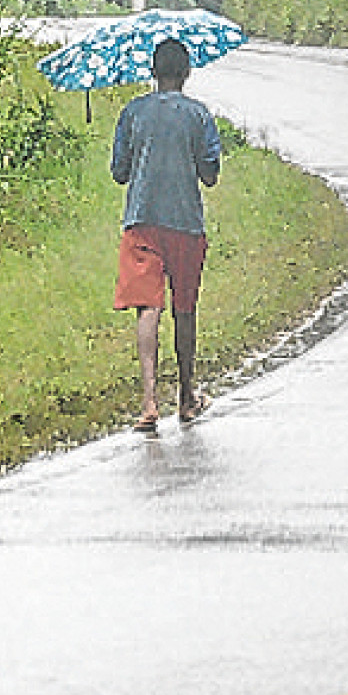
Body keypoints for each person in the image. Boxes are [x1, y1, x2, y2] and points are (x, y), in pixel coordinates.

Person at [110, 37, 223, 432]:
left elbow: (119, 172)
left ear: (152, 73)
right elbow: (210, 174)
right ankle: (188, 396)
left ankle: (148, 402)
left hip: (142, 219)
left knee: (148, 307)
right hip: (186, 224)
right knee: (184, 308)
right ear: (186, 73)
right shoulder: (199, 115)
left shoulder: (133, 112)